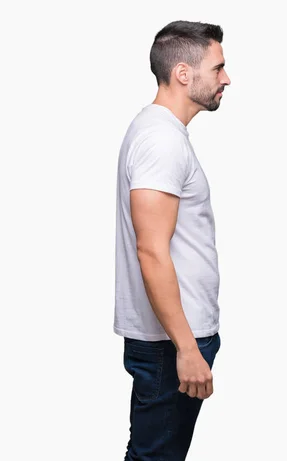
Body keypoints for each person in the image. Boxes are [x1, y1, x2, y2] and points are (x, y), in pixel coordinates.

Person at [113, 20, 231, 460]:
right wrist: (186, 347)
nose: (226, 78)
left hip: (172, 339)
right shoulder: (161, 140)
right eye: (217, 68)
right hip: (171, 343)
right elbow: (151, 250)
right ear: (184, 73)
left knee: (152, 452)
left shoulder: (160, 133)